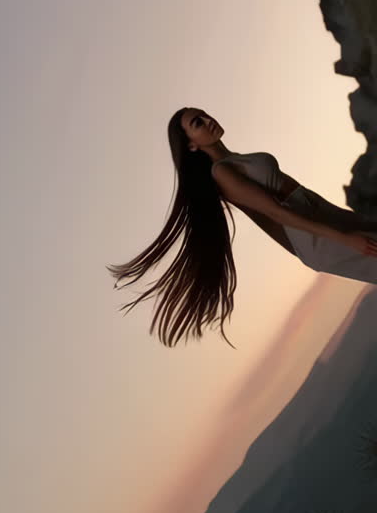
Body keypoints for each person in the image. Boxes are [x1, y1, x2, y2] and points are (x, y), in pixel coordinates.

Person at [107, 107, 377, 347]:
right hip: (316, 237)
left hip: (325, 218)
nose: (207, 120)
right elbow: (276, 212)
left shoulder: (235, 159)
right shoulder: (221, 172)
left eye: (204, 114)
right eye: (197, 123)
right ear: (191, 145)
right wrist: (343, 237)